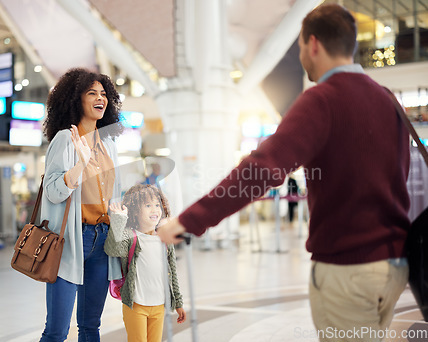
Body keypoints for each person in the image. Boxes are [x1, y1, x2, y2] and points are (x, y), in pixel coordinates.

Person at [158, 4, 410, 341]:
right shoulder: (388, 99)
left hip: (348, 271)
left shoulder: (322, 100)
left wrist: (190, 219)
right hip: (393, 267)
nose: (302, 56)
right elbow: (399, 175)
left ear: (314, 44)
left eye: (300, 47)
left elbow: (261, 169)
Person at [40, 67, 124, 342]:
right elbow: (53, 192)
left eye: (104, 94)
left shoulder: (108, 142)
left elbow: (115, 195)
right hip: (73, 240)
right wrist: (81, 163)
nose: (100, 98)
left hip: (102, 242)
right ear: (76, 99)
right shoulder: (65, 139)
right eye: (92, 93)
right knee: (57, 332)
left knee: (91, 326)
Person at [104, 184, 186, 342]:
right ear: (135, 210)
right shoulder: (131, 236)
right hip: (136, 305)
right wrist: (119, 219)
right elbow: (112, 249)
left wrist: (178, 301)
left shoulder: (164, 239)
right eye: (148, 205)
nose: (154, 209)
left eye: (157, 205)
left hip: (159, 305)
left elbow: (172, 272)